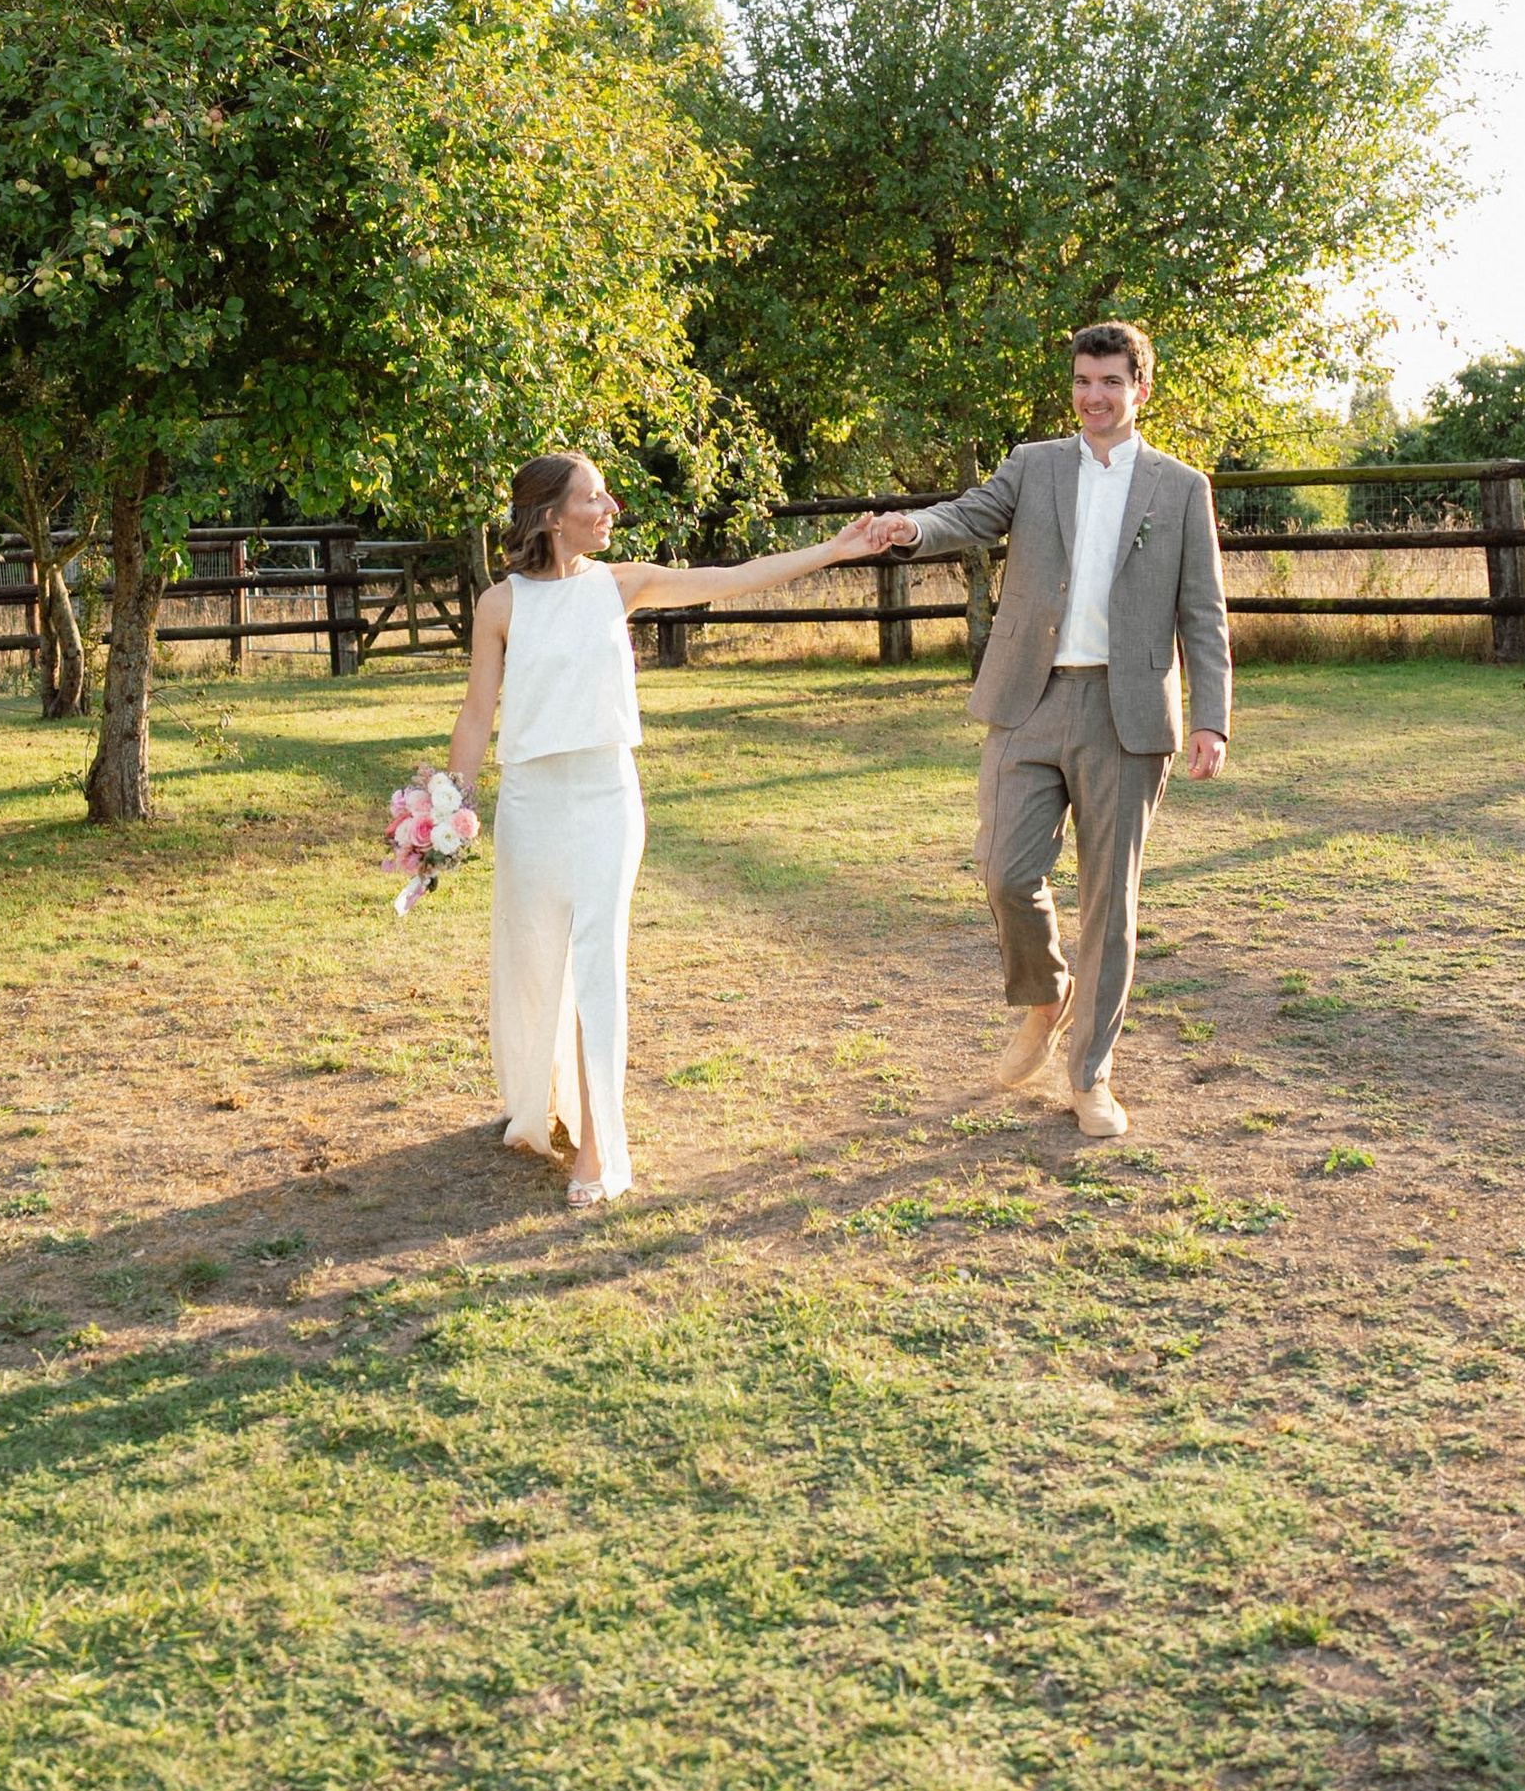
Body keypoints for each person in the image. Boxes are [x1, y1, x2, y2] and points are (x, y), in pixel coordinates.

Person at [446, 456, 892, 1206]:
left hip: (603, 798)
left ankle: (598, 1147)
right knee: (530, 962)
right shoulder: (501, 604)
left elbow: (740, 574)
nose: (611, 505)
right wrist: (449, 809)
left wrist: (834, 550)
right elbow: (476, 714)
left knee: (596, 966)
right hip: (530, 804)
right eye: (594, 497)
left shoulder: (623, 585)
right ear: (551, 515)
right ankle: (537, 1100)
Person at [861, 320, 1230, 1140]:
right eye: (1082, 381)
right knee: (1003, 871)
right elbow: (970, 515)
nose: (1093, 397)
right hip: (1027, 698)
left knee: (1110, 904)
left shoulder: (1181, 488)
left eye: (1110, 383)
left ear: (1141, 390)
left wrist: (1212, 718)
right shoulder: (1034, 466)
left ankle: (1090, 1074)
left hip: (1128, 713)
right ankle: (1044, 993)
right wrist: (911, 530)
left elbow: (1203, 612)